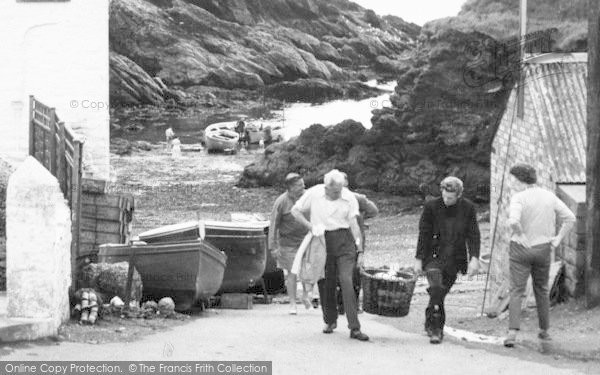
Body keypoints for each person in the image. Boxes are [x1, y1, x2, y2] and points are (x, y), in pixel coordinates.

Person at [291, 169, 369, 341]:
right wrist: (310, 227)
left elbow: (355, 225)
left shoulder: (348, 197)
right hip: (321, 239)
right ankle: (330, 320)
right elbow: (295, 211)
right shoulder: (314, 193)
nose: (338, 194)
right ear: (326, 187)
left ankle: (354, 327)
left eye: (340, 190)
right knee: (326, 282)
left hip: (344, 240)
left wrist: (360, 249)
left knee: (347, 281)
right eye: (335, 191)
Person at [503, 164, 575, 347]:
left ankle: (512, 332)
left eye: (514, 180)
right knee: (541, 289)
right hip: (543, 249)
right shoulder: (549, 196)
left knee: (517, 290)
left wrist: (519, 234)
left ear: (519, 180)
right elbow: (570, 218)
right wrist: (557, 239)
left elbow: (513, 221)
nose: (513, 183)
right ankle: (544, 330)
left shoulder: (518, 198)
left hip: (520, 249)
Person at [414, 176, 480, 344]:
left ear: (458, 195)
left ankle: (430, 314)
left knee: (439, 293)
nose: (446, 200)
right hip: (433, 255)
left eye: (450, 198)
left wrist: (474, 258)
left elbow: (473, 234)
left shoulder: (468, 208)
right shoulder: (431, 207)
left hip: (454, 257)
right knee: (436, 285)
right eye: (444, 196)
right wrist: (418, 259)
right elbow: (424, 233)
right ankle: (437, 329)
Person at [337, 172, 379, 314]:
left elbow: (373, 210)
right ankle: (345, 305)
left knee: (352, 272)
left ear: (346, 183)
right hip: (344, 240)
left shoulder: (357, 198)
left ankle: (347, 305)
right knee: (347, 272)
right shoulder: (337, 197)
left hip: (353, 240)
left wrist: (361, 216)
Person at [268, 173, 309, 315]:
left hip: (307, 239)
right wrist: (273, 247)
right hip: (287, 242)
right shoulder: (281, 201)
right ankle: (292, 303)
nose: (303, 188)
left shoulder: (308, 197)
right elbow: (273, 224)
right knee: (292, 273)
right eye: (299, 186)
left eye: (303, 185)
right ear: (290, 188)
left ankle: (305, 294)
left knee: (307, 270)